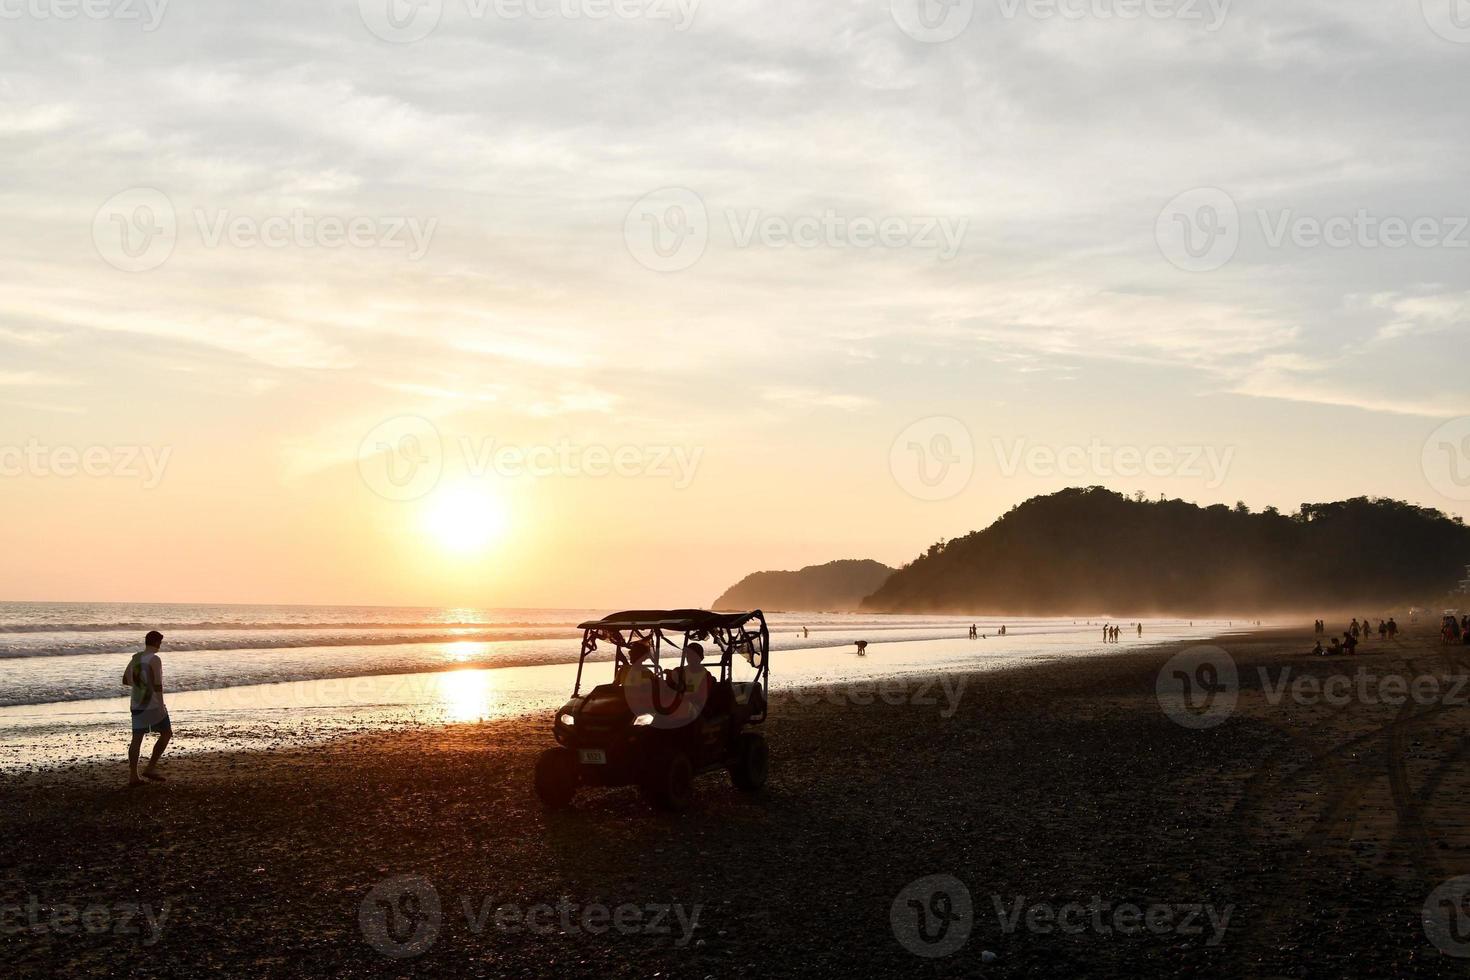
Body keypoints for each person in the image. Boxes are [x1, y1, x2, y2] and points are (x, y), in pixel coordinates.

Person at [124, 630, 172, 787]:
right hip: (152, 704)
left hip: (136, 703)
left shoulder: (136, 657)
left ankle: (133, 776)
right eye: (160, 643)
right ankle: (150, 768)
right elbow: (158, 685)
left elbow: (126, 679)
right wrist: (161, 705)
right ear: (157, 643)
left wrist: (141, 685)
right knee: (166, 733)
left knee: (136, 739)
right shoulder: (155, 659)